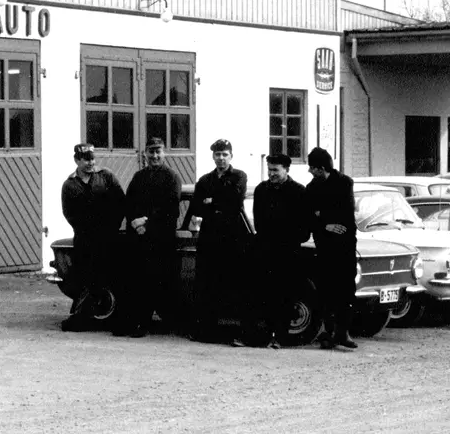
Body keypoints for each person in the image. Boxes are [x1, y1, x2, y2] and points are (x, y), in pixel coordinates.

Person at [182, 138, 248, 343]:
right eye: (217, 154)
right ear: (213, 156)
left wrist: (212, 201)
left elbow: (236, 202)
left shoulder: (239, 176)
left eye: (224, 154)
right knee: (206, 284)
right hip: (209, 238)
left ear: (231, 156)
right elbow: (197, 207)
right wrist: (218, 202)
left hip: (232, 238)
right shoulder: (205, 180)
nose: (221, 158)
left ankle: (230, 330)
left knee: (231, 283)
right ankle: (206, 330)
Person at [59, 142, 126, 332]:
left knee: (111, 277)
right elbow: (69, 213)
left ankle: (114, 316)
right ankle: (82, 317)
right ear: (76, 160)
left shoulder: (106, 177)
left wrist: (111, 226)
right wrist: (85, 229)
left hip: (108, 238)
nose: (90, 163)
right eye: (86, 159)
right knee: (85, 279)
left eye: (92, 159)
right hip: (85, 239)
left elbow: (120, 202)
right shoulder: (70, 185)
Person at [120, 137, 182, 337]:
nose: (154, 156)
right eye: (151, 152)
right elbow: (129, 204)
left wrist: (146, 224)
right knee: (138, 282)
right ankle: (137, 322)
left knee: (157, 281)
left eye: (158, 152)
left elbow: (171, 210)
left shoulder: (171, 177)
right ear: (145, 154)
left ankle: (162, 322)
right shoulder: (139, 177)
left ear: (164, 153)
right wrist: (135, 223)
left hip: (161, 240)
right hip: (140, 239)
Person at [250, 153, 309, 349]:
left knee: (285, 295)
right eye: (269, 170)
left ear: (286, 170)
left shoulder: (299, 192)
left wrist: (285, 236)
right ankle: (263, 337)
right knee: (264, 294)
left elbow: (303, 229)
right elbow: (259, 222)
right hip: (265, 249)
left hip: (288, 251)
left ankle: (281, 338)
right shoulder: (261, 190)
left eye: (276, 170)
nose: (271, 174)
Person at [304, 146, 358, 350]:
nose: (310, 171)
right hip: (324, 246)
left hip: (344, 246)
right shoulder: (311, 188)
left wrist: (321, 215)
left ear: (321, 167)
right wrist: (325, 223)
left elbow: (345, 213)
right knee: (326, 290)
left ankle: (343, 332)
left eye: (312, 167)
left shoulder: (344, 183)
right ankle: (327, 332)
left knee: (346, 290)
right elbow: (309, 216)